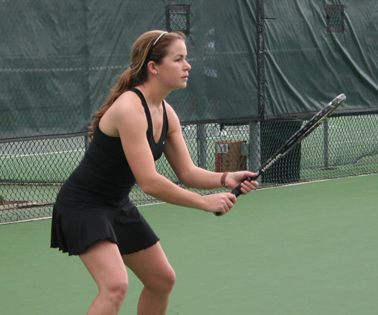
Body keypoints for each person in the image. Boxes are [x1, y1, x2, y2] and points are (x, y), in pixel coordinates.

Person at [51, 30, 259, 315]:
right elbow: (149, 182)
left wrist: (226, 178)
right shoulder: (129, 109)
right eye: (179, 59)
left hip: (116, 205)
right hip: (83, 206)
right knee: (115, 286)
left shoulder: (166, 112)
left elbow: (187, 172)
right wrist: (205, 201)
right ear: (154, 67)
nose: (188, 66)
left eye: (186, 58)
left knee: (161, 280)